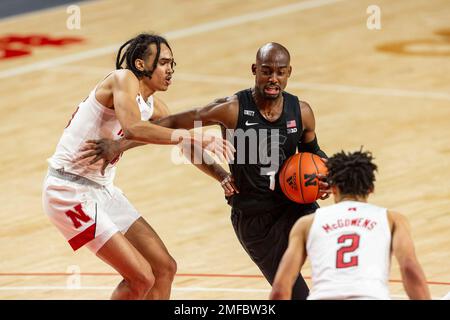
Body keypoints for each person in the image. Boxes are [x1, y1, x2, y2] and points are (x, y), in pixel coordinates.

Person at [82, 42, 329, 300]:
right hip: (255, 218)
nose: (273, 79)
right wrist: (118, 145)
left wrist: (325, 177)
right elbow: (174, 124)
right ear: (255, 70)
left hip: (296, 206)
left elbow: (315, 153)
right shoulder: (232, 109)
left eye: (280, 72)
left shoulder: (301, 112)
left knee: (340, 259)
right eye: (267, 71)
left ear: (289, 72)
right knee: (294, 295)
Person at [42, 33, 232, 300]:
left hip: (102, 189)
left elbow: (186, 147)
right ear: (141, 64)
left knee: (164, 268)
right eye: (164, 62)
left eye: (172, 64)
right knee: (140, 277)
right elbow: (133, 127)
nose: (170, 70)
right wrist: (191, 134)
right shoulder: (122, 79)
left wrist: (222, 176)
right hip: (68, 191)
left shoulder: (154, 105)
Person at [269, 149, 431, 300]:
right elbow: (409, 268)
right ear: (371, 189)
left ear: (332, 188)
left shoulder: (306, 224)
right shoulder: (393, 219)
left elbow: (280, 288)